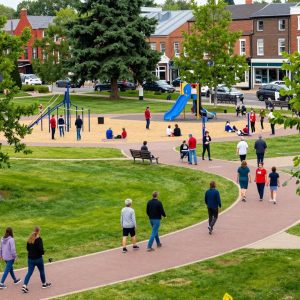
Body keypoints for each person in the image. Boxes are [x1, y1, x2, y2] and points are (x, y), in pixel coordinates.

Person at [22, 227, 51, 293]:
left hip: (30, 259)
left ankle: (24, 285)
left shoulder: (29, 239)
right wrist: (43, 252)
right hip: (38, 259)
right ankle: (44, 284)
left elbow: (27, 249)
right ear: (38, 232)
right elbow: (41, 250)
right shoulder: (39, 239)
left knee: (29, 272)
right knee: (41, 271)